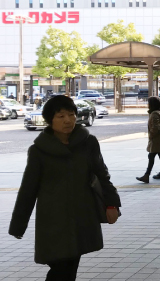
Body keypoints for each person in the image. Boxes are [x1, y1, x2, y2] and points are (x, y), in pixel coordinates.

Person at [8, 95, 121, 281]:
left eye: (71, 114)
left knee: (69, 268)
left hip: (81, 216)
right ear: (49, 120)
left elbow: (102, 175)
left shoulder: (88, 143)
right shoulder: (38, 151)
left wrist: (112, 205)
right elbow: (28, 189)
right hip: (53, 220)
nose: (68, 120)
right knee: (61, 269)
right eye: (60, 116)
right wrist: (18, 225)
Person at [136, 96, 160, 184]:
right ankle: (147, 175)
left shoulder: (155, 113)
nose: (147, 105)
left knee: (158, 158)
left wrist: (151, 135)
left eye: (148, 103)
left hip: (156, 140)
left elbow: (156, 127)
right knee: (158, 158)